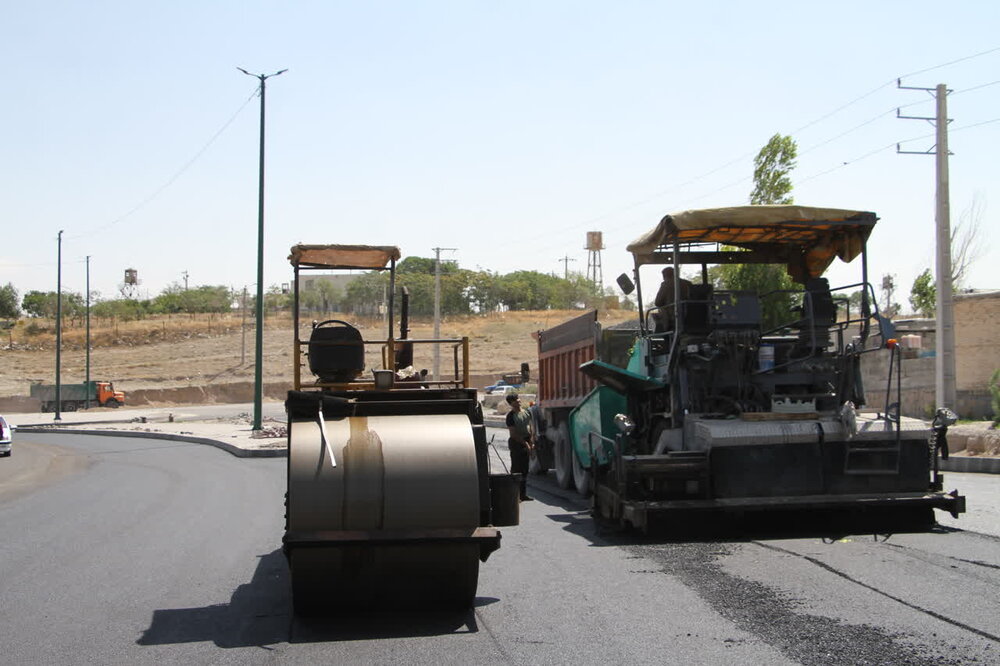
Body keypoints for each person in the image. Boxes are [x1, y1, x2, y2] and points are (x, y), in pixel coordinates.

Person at [505, 393, 534, 501]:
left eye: (518, 399)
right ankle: (514, 495)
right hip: (516, 444)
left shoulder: (526, 412)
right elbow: (513, 434)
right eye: (515, 400)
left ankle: (523, 494)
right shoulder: (511, 416)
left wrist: (531, 442)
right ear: (511, 403)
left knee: (525, 470)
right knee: (516, 469)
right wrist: (525, 444)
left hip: (526, 441)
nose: (518, 401)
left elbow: (530, 428)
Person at [652, 266, 691, 331]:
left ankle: (666, 336)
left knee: (657, 314)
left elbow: (658, 302)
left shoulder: (666, 284)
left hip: (675, 316)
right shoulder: (688, 283)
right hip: (690, 315)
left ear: (665, 276)